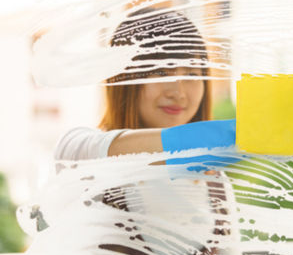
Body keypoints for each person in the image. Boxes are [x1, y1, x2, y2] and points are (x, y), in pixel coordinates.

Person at [54, 9, 236, 161]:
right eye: (162, 72)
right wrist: (234, 135)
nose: (178, 93)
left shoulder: (213, 182)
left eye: (191, 74)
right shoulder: (77, 149)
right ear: (123, 78)